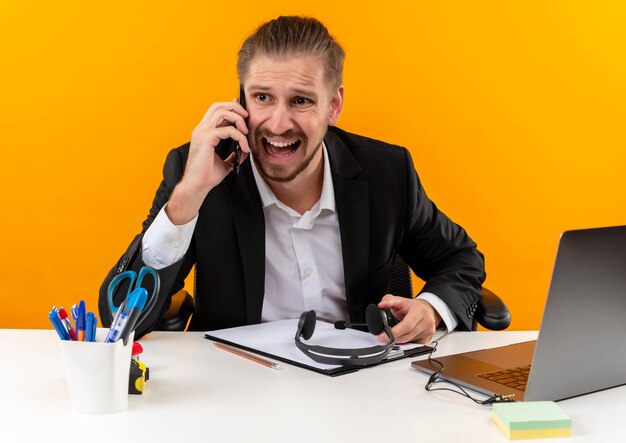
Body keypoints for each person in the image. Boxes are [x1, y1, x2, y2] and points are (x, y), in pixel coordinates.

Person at [98, 16, 485, 343]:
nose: (278, 124)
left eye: (300, 100)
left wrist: (433, 309)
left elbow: (461, 259)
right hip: (235, 387)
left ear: (333, 105)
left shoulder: (387, 171)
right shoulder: (194, 172)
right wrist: (189, 196)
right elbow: (118, 316)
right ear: (240, 102)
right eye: (262, 97)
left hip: (359, 389)